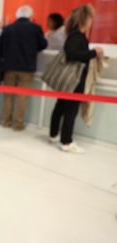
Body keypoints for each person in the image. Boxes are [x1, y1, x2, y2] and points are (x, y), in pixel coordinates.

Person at [49, 5, 103, 153]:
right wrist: (93, 52)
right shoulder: (77, 36)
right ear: (86, 18)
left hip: (70, 79)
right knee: (70, 110)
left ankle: (54, 134)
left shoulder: (72, 34)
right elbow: (72, 53)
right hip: (75, 79)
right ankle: (66, 141)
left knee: (61, 106)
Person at [0, 5, 48, 131]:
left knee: (8, 96)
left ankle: (5, 121)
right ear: (30, 16)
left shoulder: (8, 28)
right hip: (27, 67)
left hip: (9, 66)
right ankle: (18, 124)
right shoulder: (35, 28)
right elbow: (43, 44)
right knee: (22, 96)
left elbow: (0, 47)